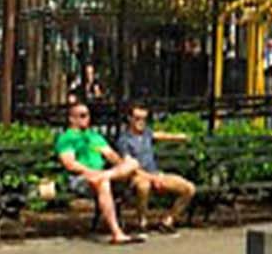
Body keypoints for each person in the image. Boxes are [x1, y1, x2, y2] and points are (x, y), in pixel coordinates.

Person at [54, 101, 150, 245]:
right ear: (71, 118)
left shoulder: (94, 137)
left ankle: (104, 176)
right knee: (103, 183)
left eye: (87, 115)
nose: (86, 119)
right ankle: (117, 233)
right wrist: (92, 172)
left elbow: (112, 156)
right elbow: (70, 164)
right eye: (81, 115)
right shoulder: (67, 138)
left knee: (133, 163)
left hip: (103, 174)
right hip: (80, 178)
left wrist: (122, 164)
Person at [114, 105, 198, 235]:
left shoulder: (147, 133)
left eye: (144, 119)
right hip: (135, 177)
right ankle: (142, 222)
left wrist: (181, 137)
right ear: (129, 119)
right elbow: (130, 167)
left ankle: (168, 221)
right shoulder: (124, 140)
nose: (141, 122)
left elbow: (161, 135)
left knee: (189, 188)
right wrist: (153, 178)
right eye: (137, 118)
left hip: (156, 174)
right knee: (144, 186)